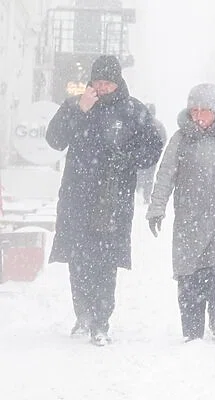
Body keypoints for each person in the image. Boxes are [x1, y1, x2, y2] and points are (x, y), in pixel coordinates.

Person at [46, 55, 164, 346]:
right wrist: (77, 110)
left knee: (105, 262)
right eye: (98, 81)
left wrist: (127, 159)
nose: (102, 87)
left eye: (108, 82)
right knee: (78, 260)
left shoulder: (133, 110)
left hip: (113, 199)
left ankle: (101, 321)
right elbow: (54, 140)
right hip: (76, 197)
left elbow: (151, 149)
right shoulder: (77, 104)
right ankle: (82, 314)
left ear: (118, 81)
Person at [145, 83, 215, 343]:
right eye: (194, 110)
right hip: (188, 219)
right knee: (189, 276)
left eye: (204, 110)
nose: (198, 116)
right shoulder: (181, 138)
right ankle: (192, 331)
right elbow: (165, 175)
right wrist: (156, 208)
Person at [136, 103, 168, 204]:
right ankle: (145, 197)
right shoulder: (158, 125)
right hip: (151, 156)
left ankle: (138, 192)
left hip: (140, 155)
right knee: (149, 177)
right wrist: (157, 150)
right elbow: (164, 138)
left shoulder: (139, 123)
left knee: (139, 174)